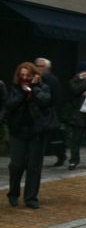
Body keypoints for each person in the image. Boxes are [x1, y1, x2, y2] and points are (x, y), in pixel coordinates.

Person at [5, 62, 52, 209]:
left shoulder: (42, 88)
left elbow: (45, 102)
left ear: (34, 76)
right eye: (22, 75)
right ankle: (13, 193)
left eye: (27, 75)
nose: (24, 78)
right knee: (16, 165)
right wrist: (23, 93)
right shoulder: (14, 89)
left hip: (36, 133)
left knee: (34, 167)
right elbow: (9, 105)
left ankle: (31, 197)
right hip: (18, 132)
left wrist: (35, 88)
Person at [34, 58, 67, 166]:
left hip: (50, 113)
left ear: (47, 68)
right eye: (37, 66)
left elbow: (58, 98)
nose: (38, 68)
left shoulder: (52, 80)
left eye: (41, 66)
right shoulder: (36, 80)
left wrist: (55, 112)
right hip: (39, 114)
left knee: (54, 137)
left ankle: (61, 156)